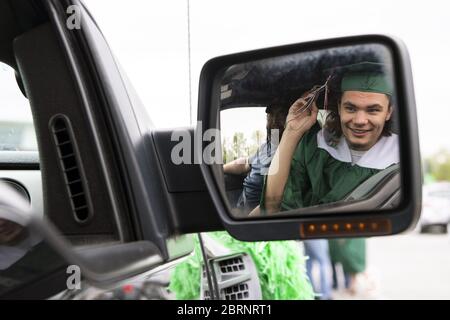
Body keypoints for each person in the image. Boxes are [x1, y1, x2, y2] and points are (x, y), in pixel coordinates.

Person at [261, 61, 399, 296]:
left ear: (389, 112)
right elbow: (274, 207)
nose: (359, 120)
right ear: (339, 106)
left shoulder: (399, 157)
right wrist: (292, 133)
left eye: (373, 110)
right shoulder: (315, 144)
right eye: (351, 108)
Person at [223, 105, 288, 214]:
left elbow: (273, 204)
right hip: (242, 207)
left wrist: (248, 220)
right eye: (270, 117)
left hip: (257, 216)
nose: (273, 122)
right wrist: (220, 168)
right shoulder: (267, 146)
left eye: (279, 117)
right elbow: (245, 164)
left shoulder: (293, 152)